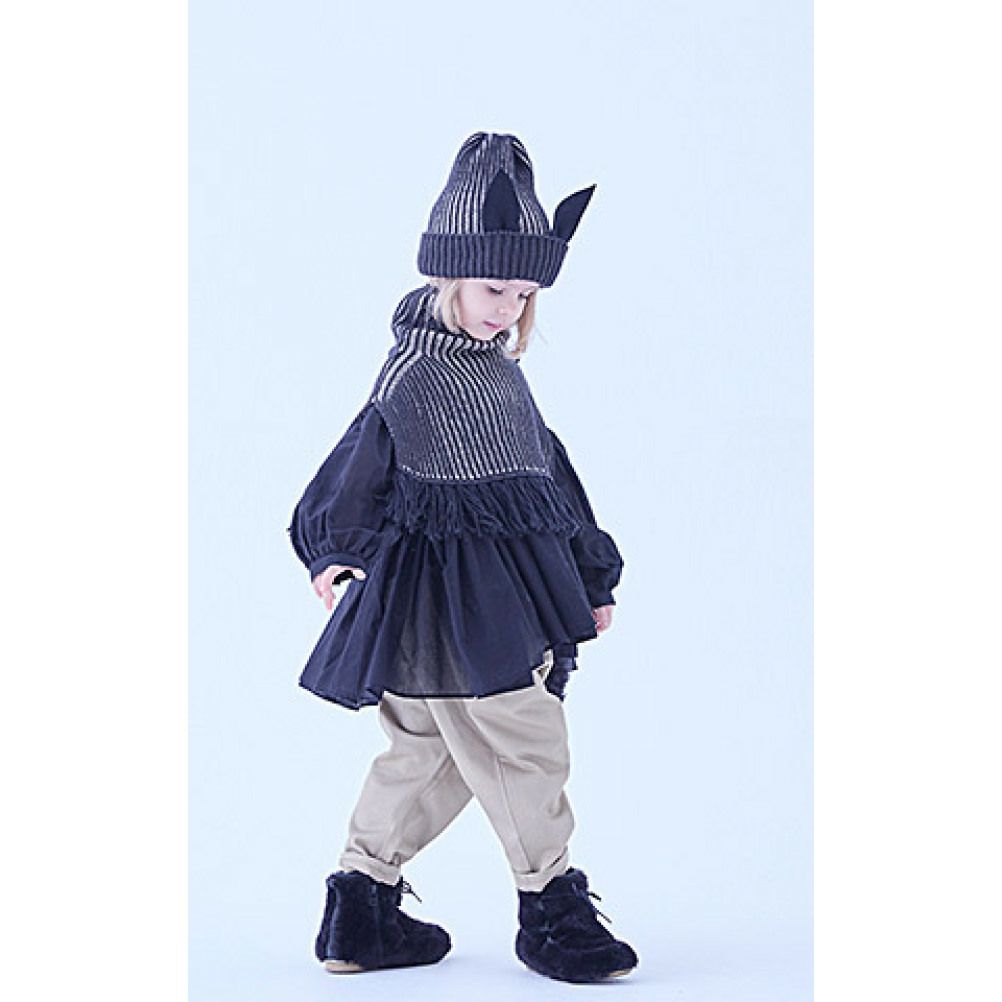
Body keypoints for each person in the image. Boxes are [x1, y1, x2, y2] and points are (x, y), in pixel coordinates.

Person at [287, 131, 638, 984]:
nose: (506, 309)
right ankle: (550, 908)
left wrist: (589, 571)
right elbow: (355, 469)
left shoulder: (496, 372)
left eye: (522, 294)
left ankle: (362, 907)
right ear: (448, 274)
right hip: (460, 610)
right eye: (492, 288)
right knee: (524, 741)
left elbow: (546, 477)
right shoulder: (412, 377)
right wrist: (335, 554)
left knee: (428, 753)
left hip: (458, 615)